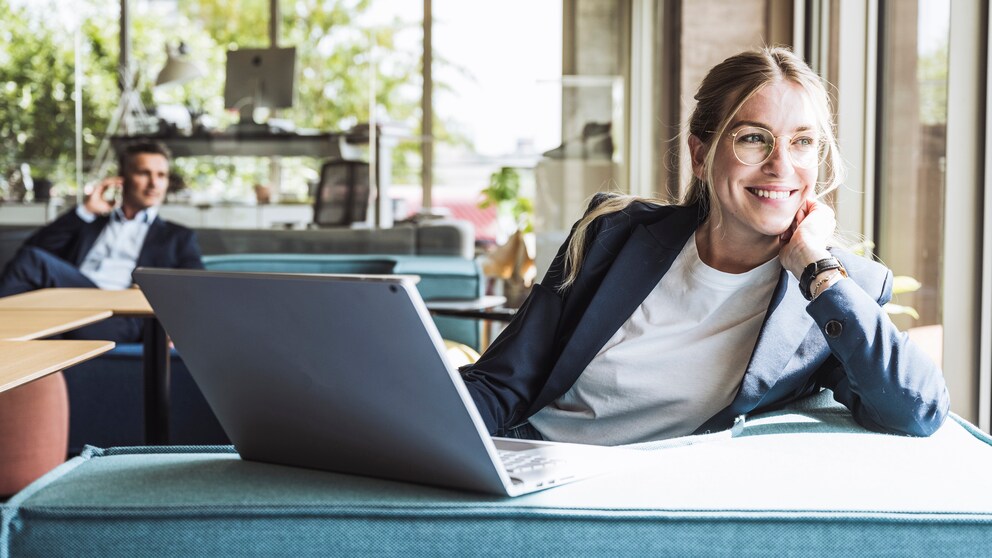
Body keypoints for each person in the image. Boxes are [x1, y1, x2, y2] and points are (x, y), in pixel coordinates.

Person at [461, 47, 950, 445]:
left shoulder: (832, 293)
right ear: (701, 155)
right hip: (530, 463)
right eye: (754, 139)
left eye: (803, 142)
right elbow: (503, 381)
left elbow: (918, 408)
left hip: (648, 505)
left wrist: (815, 266)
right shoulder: (613, 233)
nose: (782, 166)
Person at [0, 141, 204, 342]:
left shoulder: (177, 236)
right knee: (34, 275)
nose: (154, 183)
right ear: (122, 179)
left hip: (120, 317)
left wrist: (177, 327)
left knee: (37, 298)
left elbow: (198, 289)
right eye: (144, 173)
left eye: (161, 175)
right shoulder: (91, 222)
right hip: (70, 303)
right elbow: (34, 250)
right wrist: (85, 211)